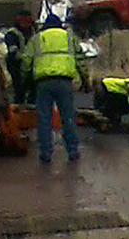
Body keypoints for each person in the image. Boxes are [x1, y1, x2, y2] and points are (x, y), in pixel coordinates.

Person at [21, 13, 90, 163]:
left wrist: (24, 80)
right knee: (68, 117)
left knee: (44, 119)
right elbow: (80, 60)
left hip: (43, 83)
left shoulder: (37, 39)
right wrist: (86, 80)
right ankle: (72, 151)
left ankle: (46, 153)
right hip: (64, 82)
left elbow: (26, 61)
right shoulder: (69, 37)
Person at [4, 10, 34, 103]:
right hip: (16, 65)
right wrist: (24, 58)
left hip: (32, 65)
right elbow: (12, 51)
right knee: (19, 89)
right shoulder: (12, 33)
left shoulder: (34, 32)